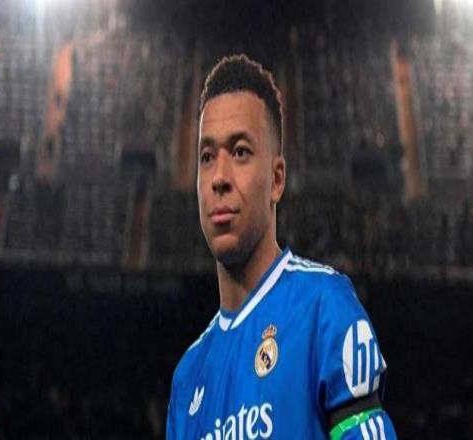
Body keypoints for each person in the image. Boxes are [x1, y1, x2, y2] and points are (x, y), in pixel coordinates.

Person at [166, 54, 397, 439]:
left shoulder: (324, 308)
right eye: (206, 157)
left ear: (276, 179)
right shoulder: (187, 377)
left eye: (240, 151)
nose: (219, 177)